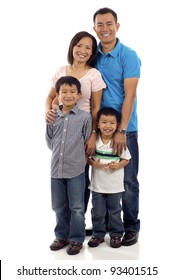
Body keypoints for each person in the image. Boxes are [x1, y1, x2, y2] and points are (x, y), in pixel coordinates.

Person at [45, 32, 106, 234]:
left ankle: (77, 227)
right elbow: (50, 97)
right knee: (63, 182)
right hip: (63, 128)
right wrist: (48, 111)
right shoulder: (62, 71)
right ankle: (66, 229)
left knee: (81, 179)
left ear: (92, 52)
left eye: (89, 47)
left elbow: (96, 108)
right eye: (79, 45)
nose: (83, 50)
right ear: (72, 47)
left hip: (85, 128)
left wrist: (93, 135)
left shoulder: (94, 74)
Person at [93, 7, 141, 246]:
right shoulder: (93, 55)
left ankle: (131, 227)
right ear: (95, 29)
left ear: (117, 26)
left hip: (124, 129)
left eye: (109, 23)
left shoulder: (128, 55)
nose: (105, 28)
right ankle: (102, 225)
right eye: (100, 24)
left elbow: (130, 96)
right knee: (98, 174)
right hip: (97, 127)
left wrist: (122, 130)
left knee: (128, 180)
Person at [46, 76, 92, 255]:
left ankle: (76, 239)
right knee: (59, 206)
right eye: (64, 91)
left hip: (76, 170)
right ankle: (61, 236)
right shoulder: (52, 116)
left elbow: (86, 139)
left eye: (73, 91)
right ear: (57, 95)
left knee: (77, 207)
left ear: (79, 94)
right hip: (56, 169)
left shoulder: (85, 117)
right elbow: (49, 140)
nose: (68, 95)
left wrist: (76, 156)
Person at [87, 107, 131, 248]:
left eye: (112, 123)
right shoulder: (95, 142)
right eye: (104, 122)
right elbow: (88, 159)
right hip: (98, 186)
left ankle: (116, 234)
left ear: (117, 125)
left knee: (115, 211)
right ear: (98, 124)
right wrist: (95, 164)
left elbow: (127, 159)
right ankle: (98, 234)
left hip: (115, 186)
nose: (108, 126)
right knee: (98, 211)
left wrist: (118, 166)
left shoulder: (118, 143)